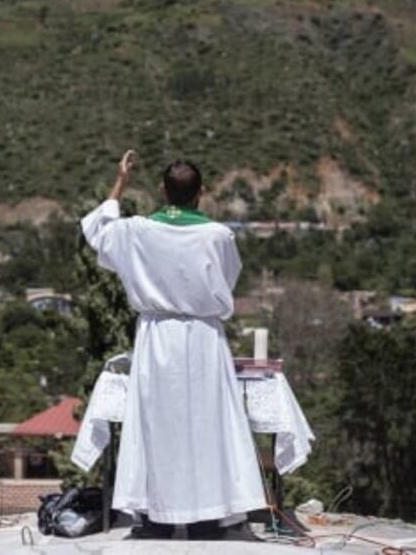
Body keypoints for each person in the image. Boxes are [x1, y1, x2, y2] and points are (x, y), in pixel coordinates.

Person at [80, 150, 266, 540]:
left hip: (157, 337)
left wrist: (121, 181)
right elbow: (228, 277)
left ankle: (155, 517)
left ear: (163, 191)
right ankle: (209, 517)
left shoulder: (136, 231)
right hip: (203, 339)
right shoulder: (218, 235)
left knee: (156, 424)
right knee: (206, 424)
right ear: (201, 193)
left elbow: (98, 232)